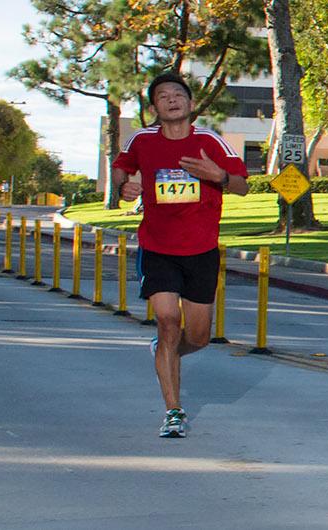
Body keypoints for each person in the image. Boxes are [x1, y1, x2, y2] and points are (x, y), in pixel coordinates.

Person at [114, 72, 251, 439]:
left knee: (200, 337)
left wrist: (219, 176)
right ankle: (173, 411)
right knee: (168, 321)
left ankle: (164, 350)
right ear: (154, 108)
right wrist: (123, 187)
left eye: (178, 94)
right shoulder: (142, 140)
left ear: (190, 104)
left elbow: (243, 187)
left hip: (201, 250)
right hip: (157, 247)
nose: (171, 99)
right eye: (163, 96)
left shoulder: (210, 141)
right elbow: (121, 168)